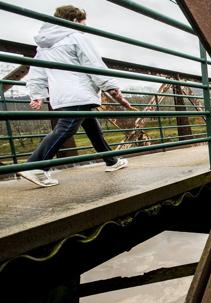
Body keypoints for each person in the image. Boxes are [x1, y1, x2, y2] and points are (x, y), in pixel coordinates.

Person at [18, 5, 132, 187]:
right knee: (65, 129)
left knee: (93, 129)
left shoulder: (44, 45)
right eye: (83, 25)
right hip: (79, 94)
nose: (84, 29)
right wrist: (112, 88)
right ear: (73, 21)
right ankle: (34, 166)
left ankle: (112, 161)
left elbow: (37, 72)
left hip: (62, 96)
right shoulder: (76, 37)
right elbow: (94, 64)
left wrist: (37, 94)